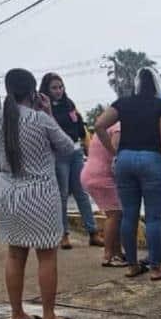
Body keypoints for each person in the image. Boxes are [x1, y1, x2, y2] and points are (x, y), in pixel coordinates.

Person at [0, 69, 79, 319]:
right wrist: (49, 112)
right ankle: (49, 317)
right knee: (47, 256)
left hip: (7, 194)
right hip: (40, 195)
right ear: (33, 92)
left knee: (15, 255)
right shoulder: (41, 119)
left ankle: (17, 313)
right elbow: (67, 148)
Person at [95, 68, 161, 280]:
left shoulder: (123, 103)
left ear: (137, 84)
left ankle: (132, 265)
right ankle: (156, 268)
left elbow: (99, 125)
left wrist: (115, 152)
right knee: (153, 218)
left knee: (128, 215)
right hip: (152, 160)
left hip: (125, 160)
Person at [39, 73, 101, 250]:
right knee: (62, 195)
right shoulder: (43, 108)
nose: (58, 91)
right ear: (46, 90)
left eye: (60, 87)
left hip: (75, 152)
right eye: (54, 88)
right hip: (58, 155)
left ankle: (93, 232)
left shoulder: (69, 104)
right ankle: (64, 235)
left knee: (82, 193)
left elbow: (79, 124)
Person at [80, 120, 124, 267]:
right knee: (115, 215)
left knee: (114, 215)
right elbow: (115, 155)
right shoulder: (118, 128)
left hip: (91, 173)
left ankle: (117, 253)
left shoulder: (107, 126)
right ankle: (109, 255)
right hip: (101, 175)